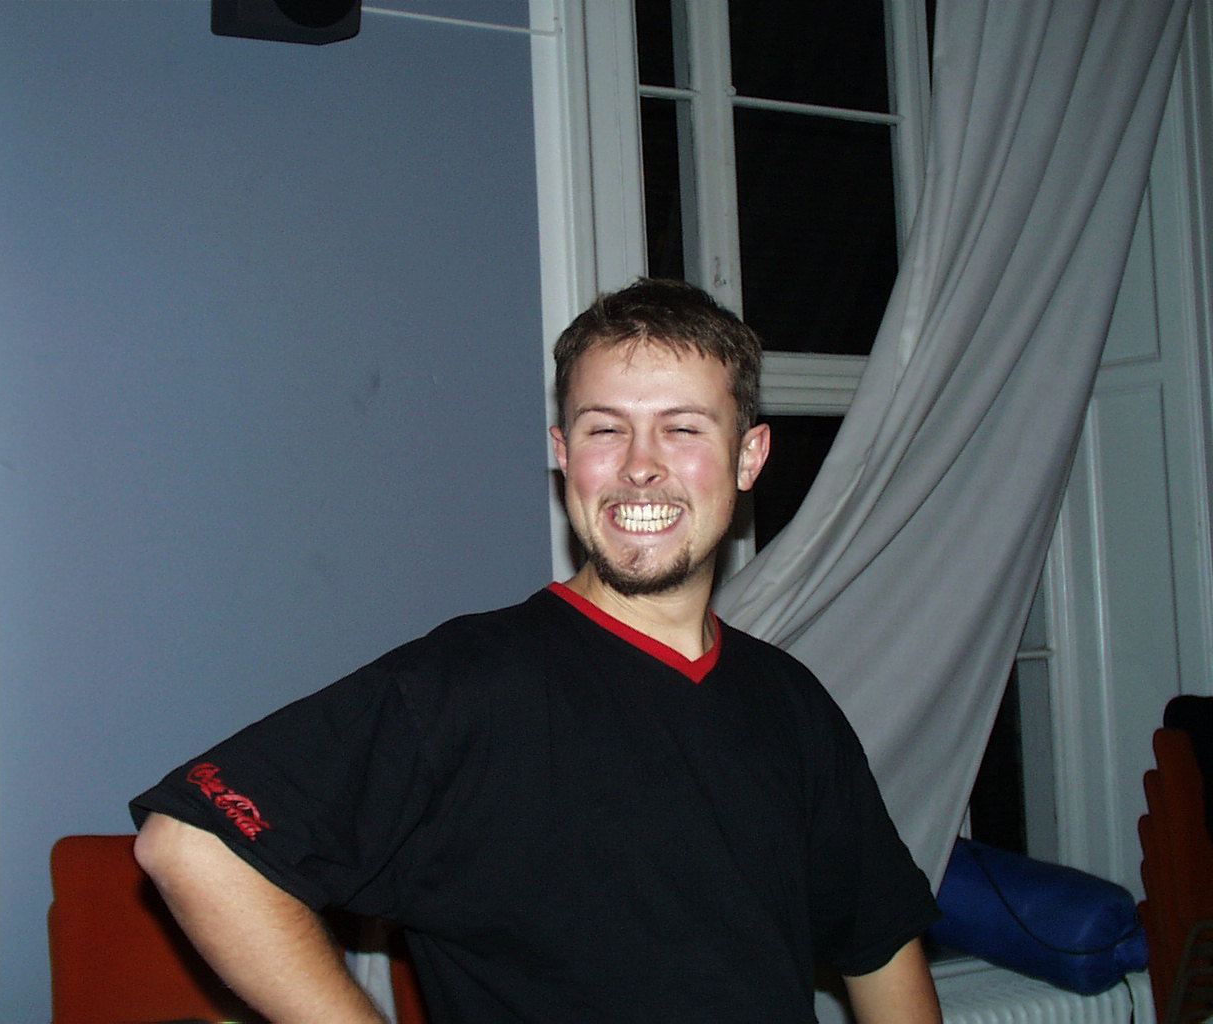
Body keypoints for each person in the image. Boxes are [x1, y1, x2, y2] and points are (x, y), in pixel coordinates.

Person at [132, 279, 942, 1023]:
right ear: (563, 452)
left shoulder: (790, 702)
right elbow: (194, 845)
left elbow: (881, 949)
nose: (641, 466)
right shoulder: (467, 686)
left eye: (683, 428)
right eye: (605, 429)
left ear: (748, 456)